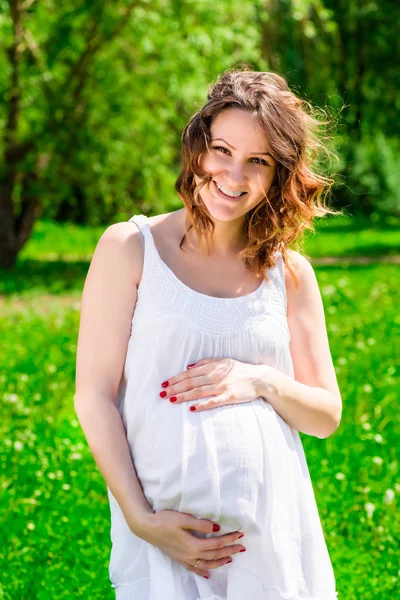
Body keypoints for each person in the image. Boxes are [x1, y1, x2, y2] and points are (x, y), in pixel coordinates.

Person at [74, 67, 342, 599]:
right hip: (165, 535)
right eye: (221, 149)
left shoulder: (288, 274)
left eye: (257, 161)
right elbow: (93, 398)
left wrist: (261, 380)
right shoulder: (130, 248)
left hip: (269, 538)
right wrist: (140, 518)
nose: (233, 174)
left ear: (279, 174)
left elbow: (326, 415)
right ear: (198, 147)